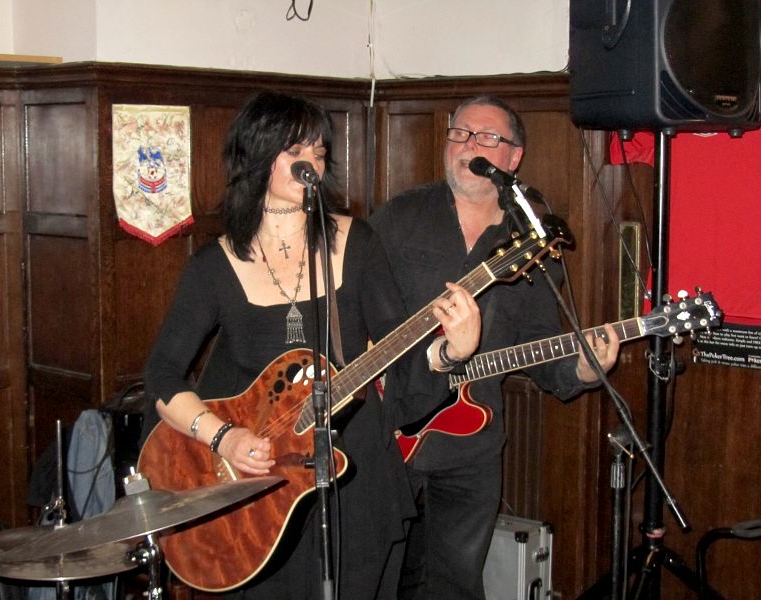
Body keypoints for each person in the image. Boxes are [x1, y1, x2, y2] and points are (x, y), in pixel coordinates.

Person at [142, 91, 480, 599]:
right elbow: (162, 376)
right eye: (296, 149)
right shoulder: (214, 266)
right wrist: (223, 437)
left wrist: (452, 350)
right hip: (254, 488)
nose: (311, 163)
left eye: (319, 152)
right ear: (257, 158)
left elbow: (404, 352)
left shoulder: (356, 242)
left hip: (353, 481)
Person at [368, 95, 620, 599]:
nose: (469, 145)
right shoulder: (400, 217)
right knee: (379, 577)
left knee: (455, 585)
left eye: (487, 138)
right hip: (386, 428)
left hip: (470, 443)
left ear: (514, 157)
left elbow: (539, 342)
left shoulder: (530, 239)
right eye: (460, 133)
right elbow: (356, 311)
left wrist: (587, 372)